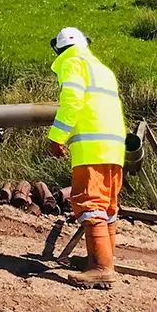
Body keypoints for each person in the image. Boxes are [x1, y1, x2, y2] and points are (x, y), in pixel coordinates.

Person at [46, 26, 127, 289]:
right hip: (114, 148)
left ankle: (101, 268)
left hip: (91, 148)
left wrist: (57, 135)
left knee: (90, 203)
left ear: (60, 49)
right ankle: (102, 260)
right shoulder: (102, 69)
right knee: (107, 207)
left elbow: (72, 101)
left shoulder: (73, 63)